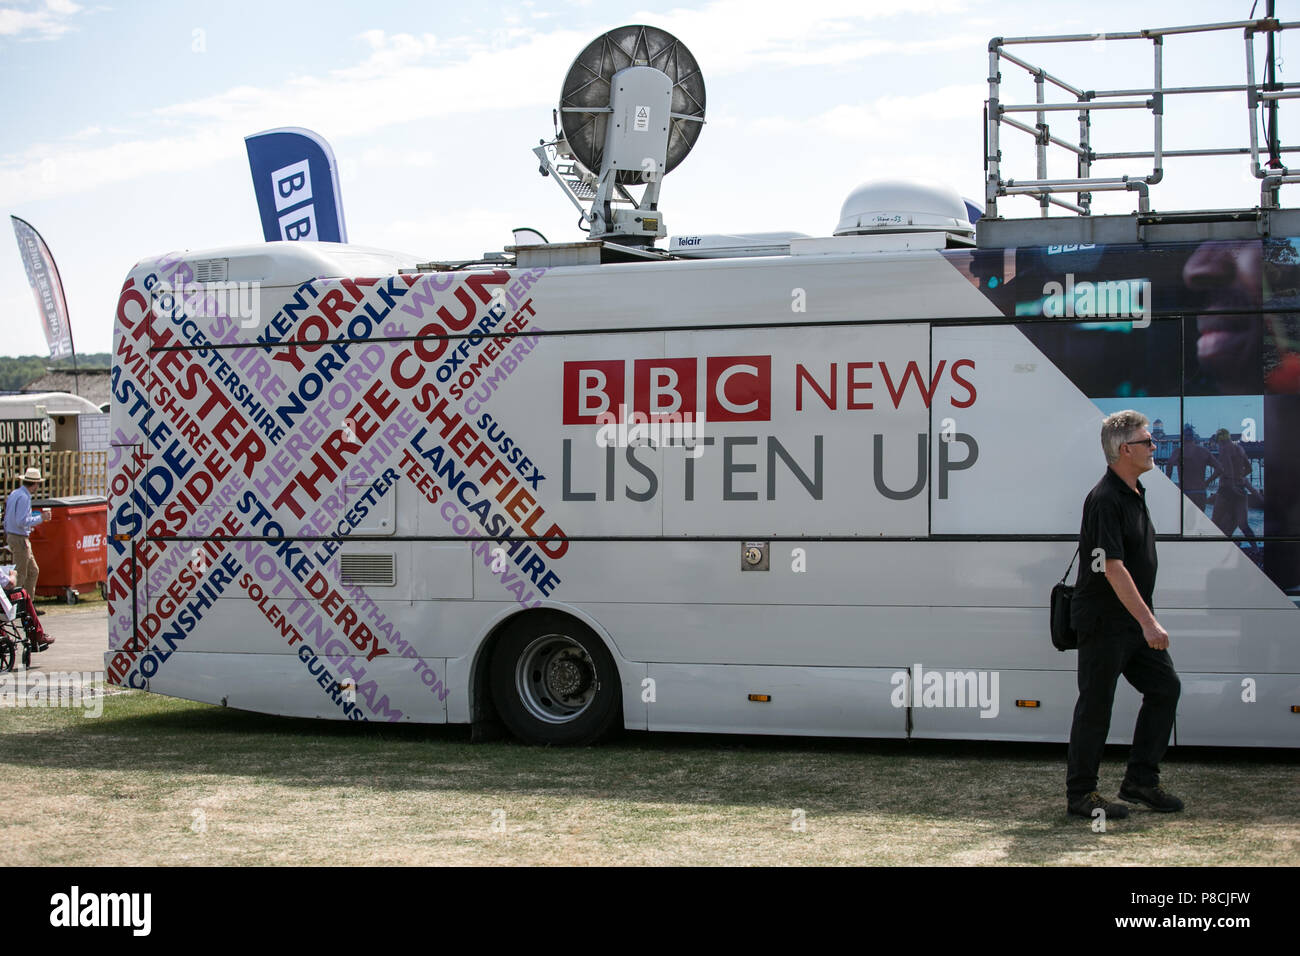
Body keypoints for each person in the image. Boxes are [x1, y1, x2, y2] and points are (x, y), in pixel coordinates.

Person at [1066, 410, 1183, 820]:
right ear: (1124, 449)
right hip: (1105, 622)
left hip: (1131, 622)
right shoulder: (1105, 500)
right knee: (1096, 705)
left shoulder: (1134, 492)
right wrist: (1149, 622)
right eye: (1148, 441)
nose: (1155, 447)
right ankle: (1081, 794)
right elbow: (1112, 567)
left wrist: (1143, 621)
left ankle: (1140, 781)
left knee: (1165, 688)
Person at [4, 467, 50, 602]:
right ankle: (15, 604)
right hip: (19, 538)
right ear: (35, 484)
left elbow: (10, 519)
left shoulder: (15, 494)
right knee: (21, 573)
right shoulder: (24, 497)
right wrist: (41, 518)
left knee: (32, 571)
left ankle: (27, 603)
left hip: (14, 535)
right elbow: (21, 521)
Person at [1178, 427, 1221, 512]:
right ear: (1194, 438)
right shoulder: (1204, 451)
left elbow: (1170, 465)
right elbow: (1220, 469)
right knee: (1199, 520)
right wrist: (1207, 482)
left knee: (1185, 521)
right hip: (1200, 491)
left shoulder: (1179, 452)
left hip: (1186, 491)